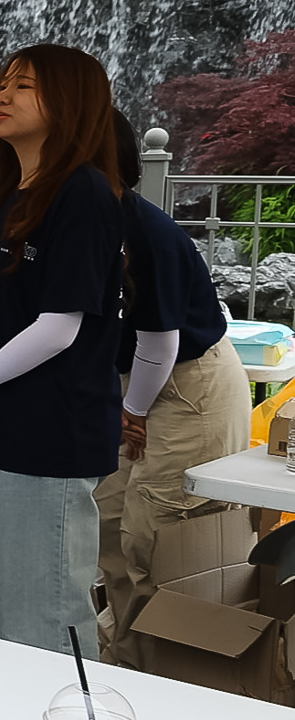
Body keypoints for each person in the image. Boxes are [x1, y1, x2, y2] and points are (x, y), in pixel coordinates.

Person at [0, 46, 129, 658]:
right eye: (3, 84)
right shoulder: (14, 192)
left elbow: (58, 327)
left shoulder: (84, 195)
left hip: (50, 435)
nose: (2, 97)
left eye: (26, 87)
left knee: (44, 613)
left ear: (70, 103)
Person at [96, 115, 249, 666]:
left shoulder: (144, 232)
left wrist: (133, 411)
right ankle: (124, 662)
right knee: (109, 530)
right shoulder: (67, 221)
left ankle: (167, 675)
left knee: (159, 536)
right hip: (126, 386)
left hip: (186, 386)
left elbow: (160, 340)